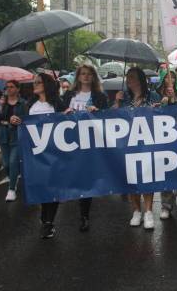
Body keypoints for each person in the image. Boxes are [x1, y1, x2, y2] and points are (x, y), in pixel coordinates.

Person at [12, 73, 65, 238]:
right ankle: (45, 216)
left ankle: (49, 222)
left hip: (55, 152)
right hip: (36, 154)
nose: (34, 85)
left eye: (38, 82)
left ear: (47, 84)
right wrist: (17, 121)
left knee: (54, 186)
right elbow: (24, 124)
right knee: (43, 185)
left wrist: (65, 116)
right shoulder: (30, 105)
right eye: (34, 82)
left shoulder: (57, 104)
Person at [62, 64, 108, 232]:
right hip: (71, 141)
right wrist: (64, 112)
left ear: (93, 77)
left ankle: (84, 216)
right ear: (78, 76)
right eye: (83, 74)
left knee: (85, 179)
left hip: (90, 142)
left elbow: (108, 118)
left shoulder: (100, 96)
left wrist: (98, 111)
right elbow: (58, 115)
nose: (86, 76)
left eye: (89, 74)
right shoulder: (69, 95)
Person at [114, 67, 160, 229]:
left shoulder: (152, 95)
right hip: (128, 142)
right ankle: (136, 211)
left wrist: (159, 107)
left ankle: (148, 212)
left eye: (132, 77)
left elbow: (161, 113)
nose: (129, 79)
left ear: (140, 79)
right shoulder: (124, 97)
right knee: (132, 176)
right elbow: (113, 118)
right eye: (127, 77)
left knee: (147, 175)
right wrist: (116, 102)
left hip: (147, 141)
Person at [156, 70, 177, 215]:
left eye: (173, 78)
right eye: (168, 77)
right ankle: (166, 205)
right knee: (166, 170)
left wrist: (174, 99)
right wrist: (161, 104)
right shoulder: (155, 94)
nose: (171, 80)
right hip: (162, 138)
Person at [0, 80, 28, 202]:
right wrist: (1, 106)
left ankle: (11, 189)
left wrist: (20, 120)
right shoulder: (2, 102)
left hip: (17, 135)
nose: (8, 89)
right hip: (3, 134)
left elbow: (27, 119)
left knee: (13, 161)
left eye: (11, 87)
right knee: (6, 164)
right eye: (7, 87)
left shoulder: (23, 103)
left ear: (18, 89)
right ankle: (13, 177)